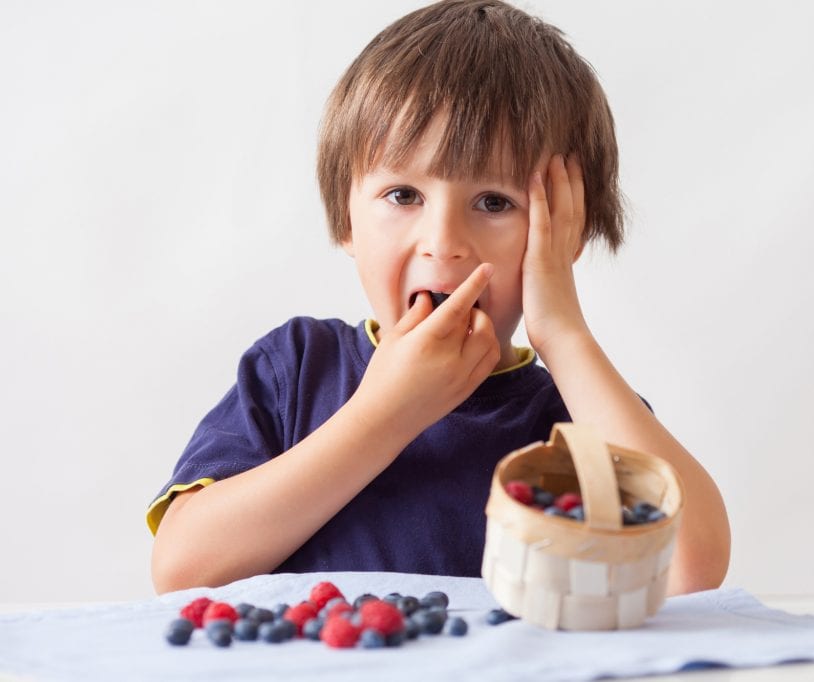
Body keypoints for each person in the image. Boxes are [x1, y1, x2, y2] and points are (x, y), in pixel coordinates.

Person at [149, 0, 730, 595]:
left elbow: (690, 571)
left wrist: (563, 333)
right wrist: (389, 412)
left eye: (494, 203)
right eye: (403, 195)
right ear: (345, 219)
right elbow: (183, 569)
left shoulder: (574, 412)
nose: (444, 244)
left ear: (562, 232)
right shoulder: (295, 368)